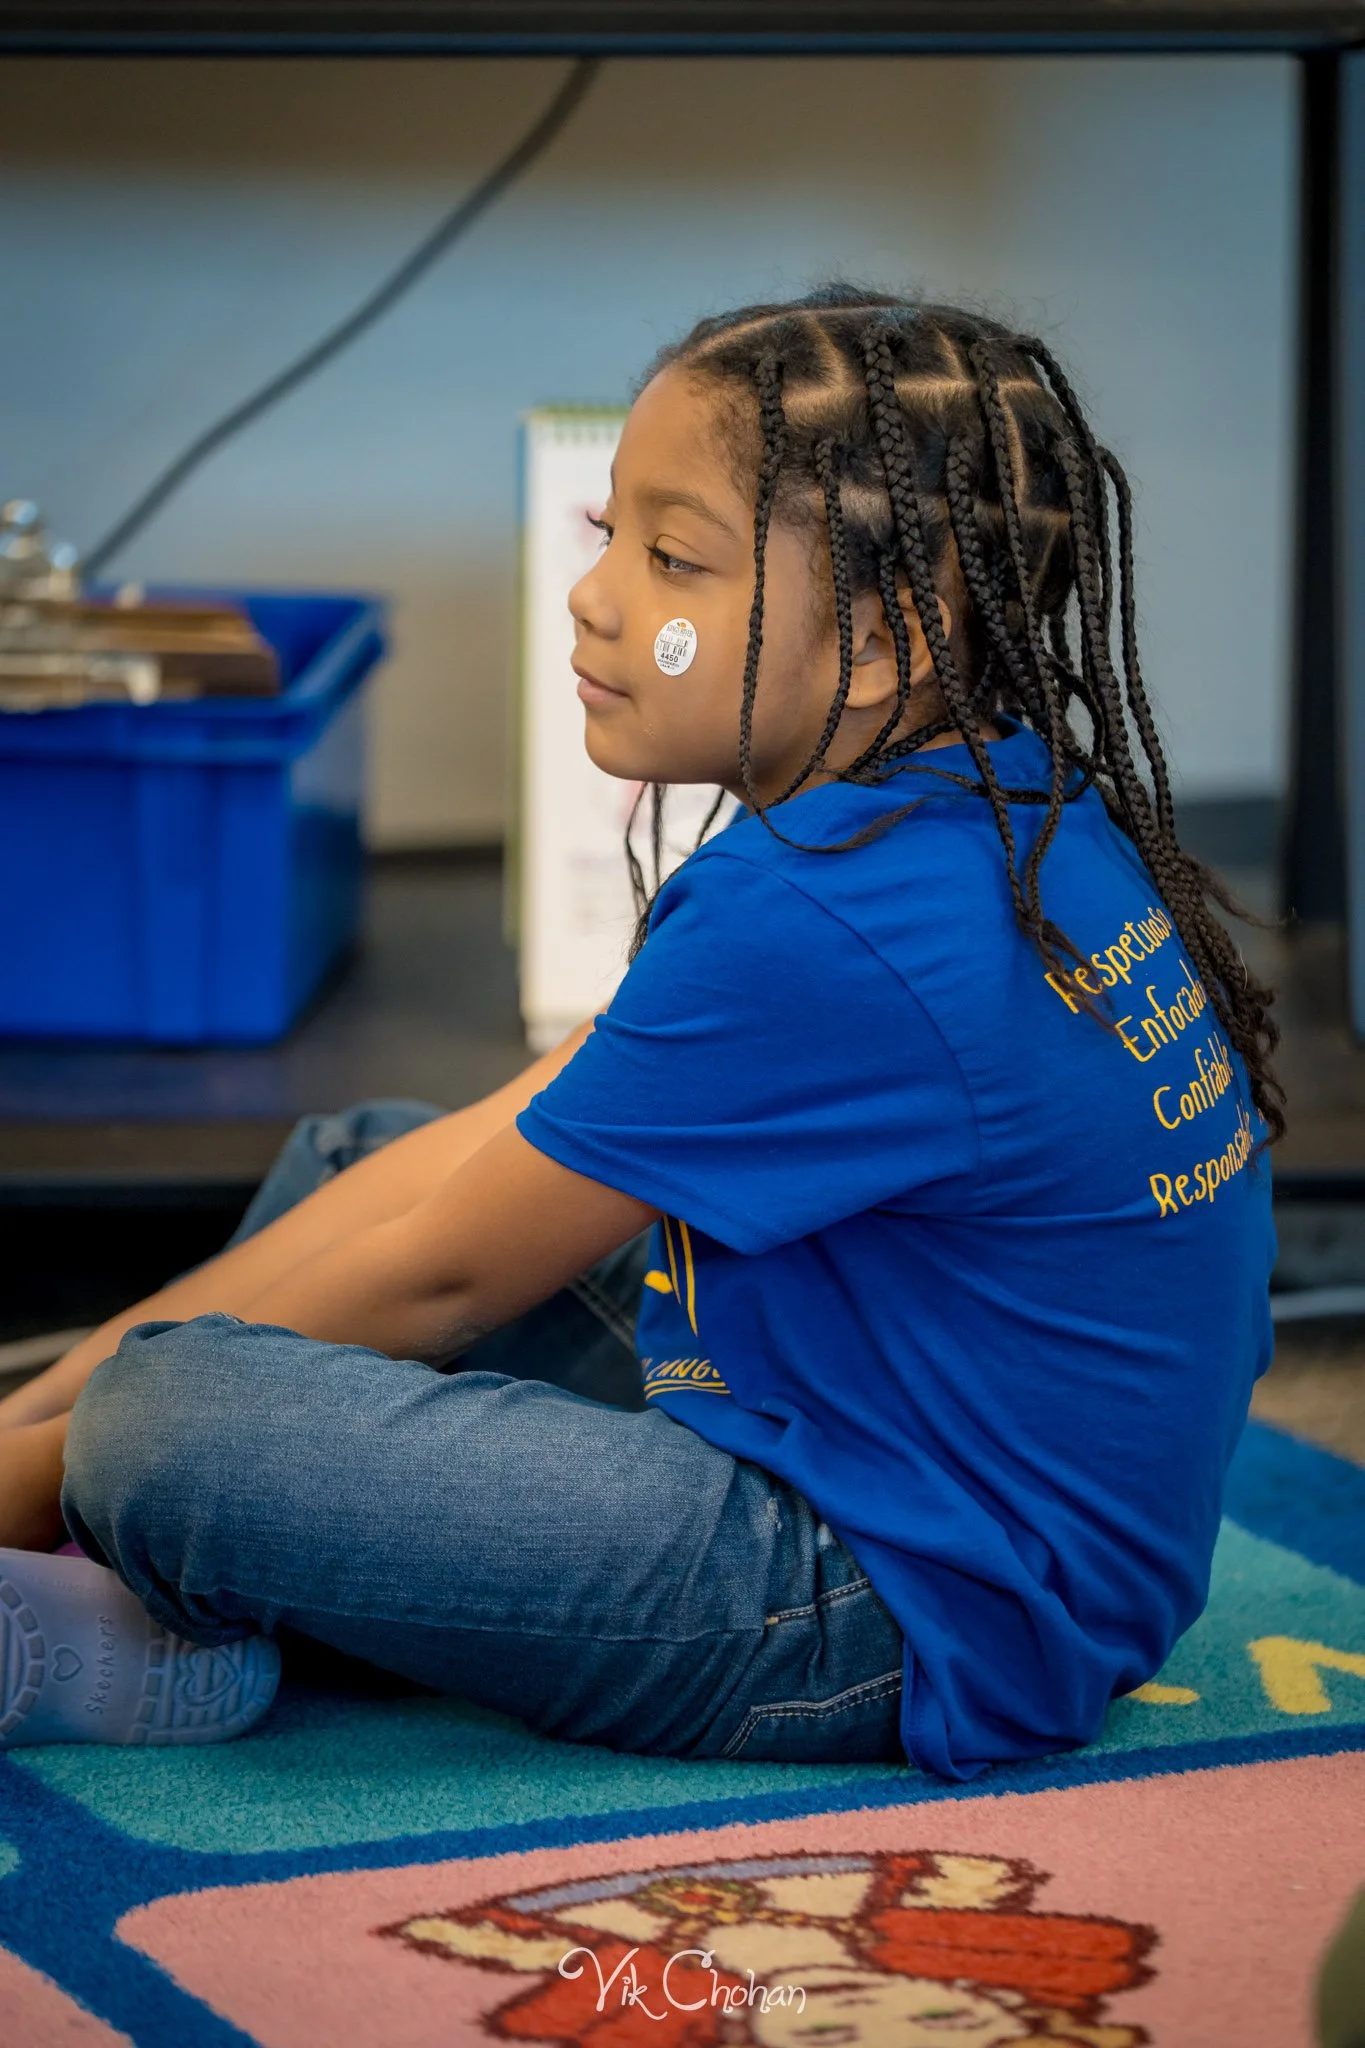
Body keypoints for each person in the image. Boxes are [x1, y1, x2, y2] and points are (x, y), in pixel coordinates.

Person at [0, 286, 1281, 1779]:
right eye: (606, 532)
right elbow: (492, 1151)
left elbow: (446, 1273)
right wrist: (40, 1403)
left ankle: (163, 1611)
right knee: (370, 1157)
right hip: (895, 1440)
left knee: (172, 1421)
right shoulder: (979, 796)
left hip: (907, 1605)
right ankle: (207, 1558)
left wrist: (55, 1448)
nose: (594, 595)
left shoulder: (825, 915)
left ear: (882, 641)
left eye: (672, 559)